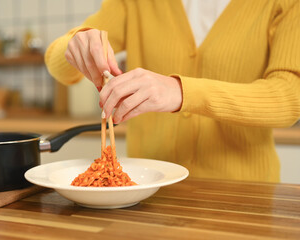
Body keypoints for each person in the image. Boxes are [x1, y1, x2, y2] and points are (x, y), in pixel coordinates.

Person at [45, 0, 300, 182]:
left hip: (243, 196)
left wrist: (181, 91)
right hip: (150, 196)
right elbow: (60, 64)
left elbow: (290, 96)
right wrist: (76, 42)